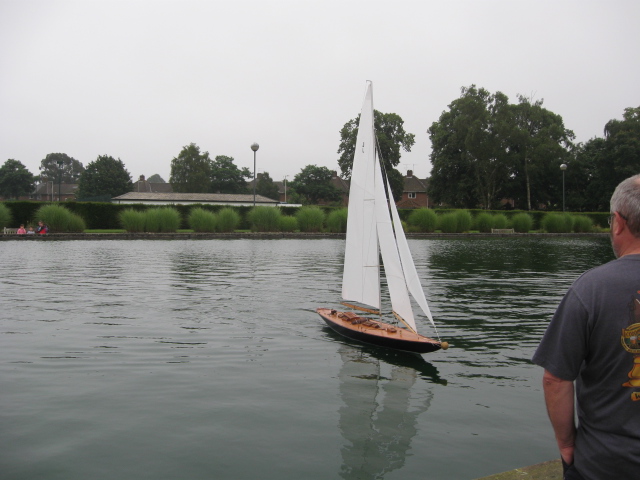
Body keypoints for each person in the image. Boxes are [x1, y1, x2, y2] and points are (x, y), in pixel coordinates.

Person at [532, 173, 640, 480]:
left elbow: (556, 379)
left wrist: (566, 444)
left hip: (607, 465)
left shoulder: (591, 289)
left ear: (618, 222)